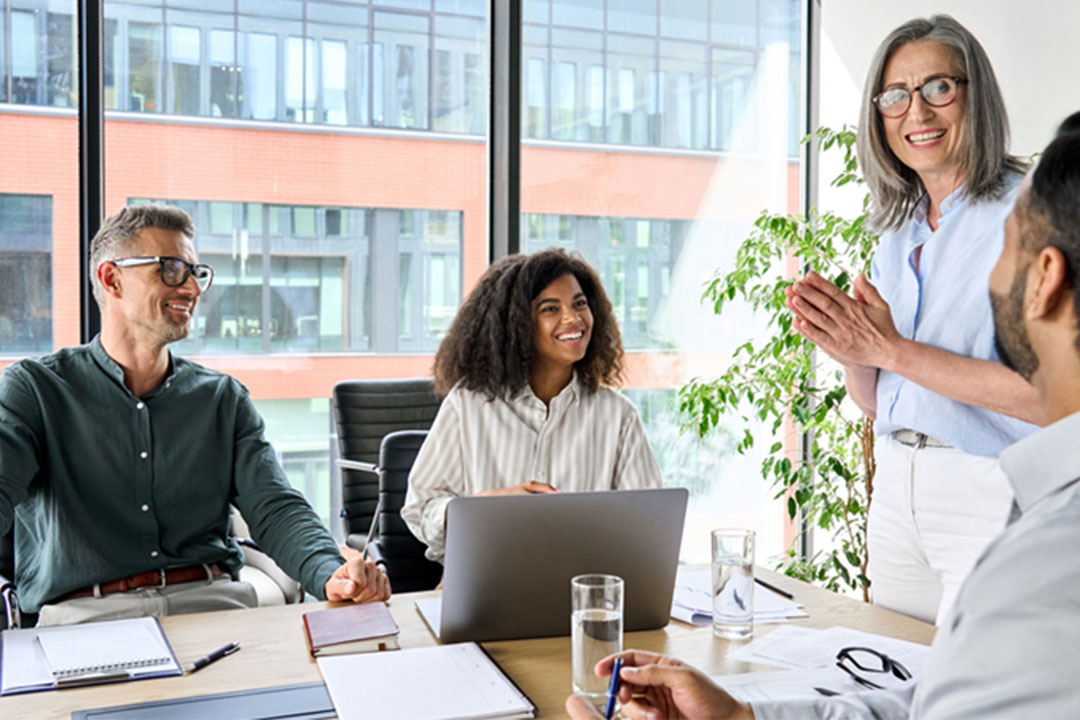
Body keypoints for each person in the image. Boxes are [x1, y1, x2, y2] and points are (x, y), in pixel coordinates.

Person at [567, 113, 1080, 720]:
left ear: (1045, 277)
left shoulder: (1045, 565)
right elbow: (940, 696)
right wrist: (742, 719)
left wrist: (888, 349)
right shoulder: (1043, 531)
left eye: (1004, 244)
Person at [0, 204, 390, 626]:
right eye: (170, 269)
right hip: (87, 619)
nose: (191, 288)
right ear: (111, 279)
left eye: (194, 272)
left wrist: (330, 571)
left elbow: (276, 507)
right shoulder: (35, 390)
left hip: (214, 606)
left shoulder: (222, 398)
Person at [785, 15, 1040, 625]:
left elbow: (1054, 399)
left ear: (975, 95)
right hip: (898, 489)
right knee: (897, 682)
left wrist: (891, 349)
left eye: (938, 89)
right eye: (896, 95)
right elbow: (883, 403)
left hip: (991, 490)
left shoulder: (1037, 211)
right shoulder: (896, 228)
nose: (916, 112)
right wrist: (855, 352)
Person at [401, 248, 663, 563]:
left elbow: (652, 525)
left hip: (585, 588)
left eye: (579, 303)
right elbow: (420, 507)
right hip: (487, 583)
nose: (573, 318)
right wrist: (484, 508)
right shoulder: (468, 404)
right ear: (516, 325)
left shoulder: (618, 415)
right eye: (550, 308)